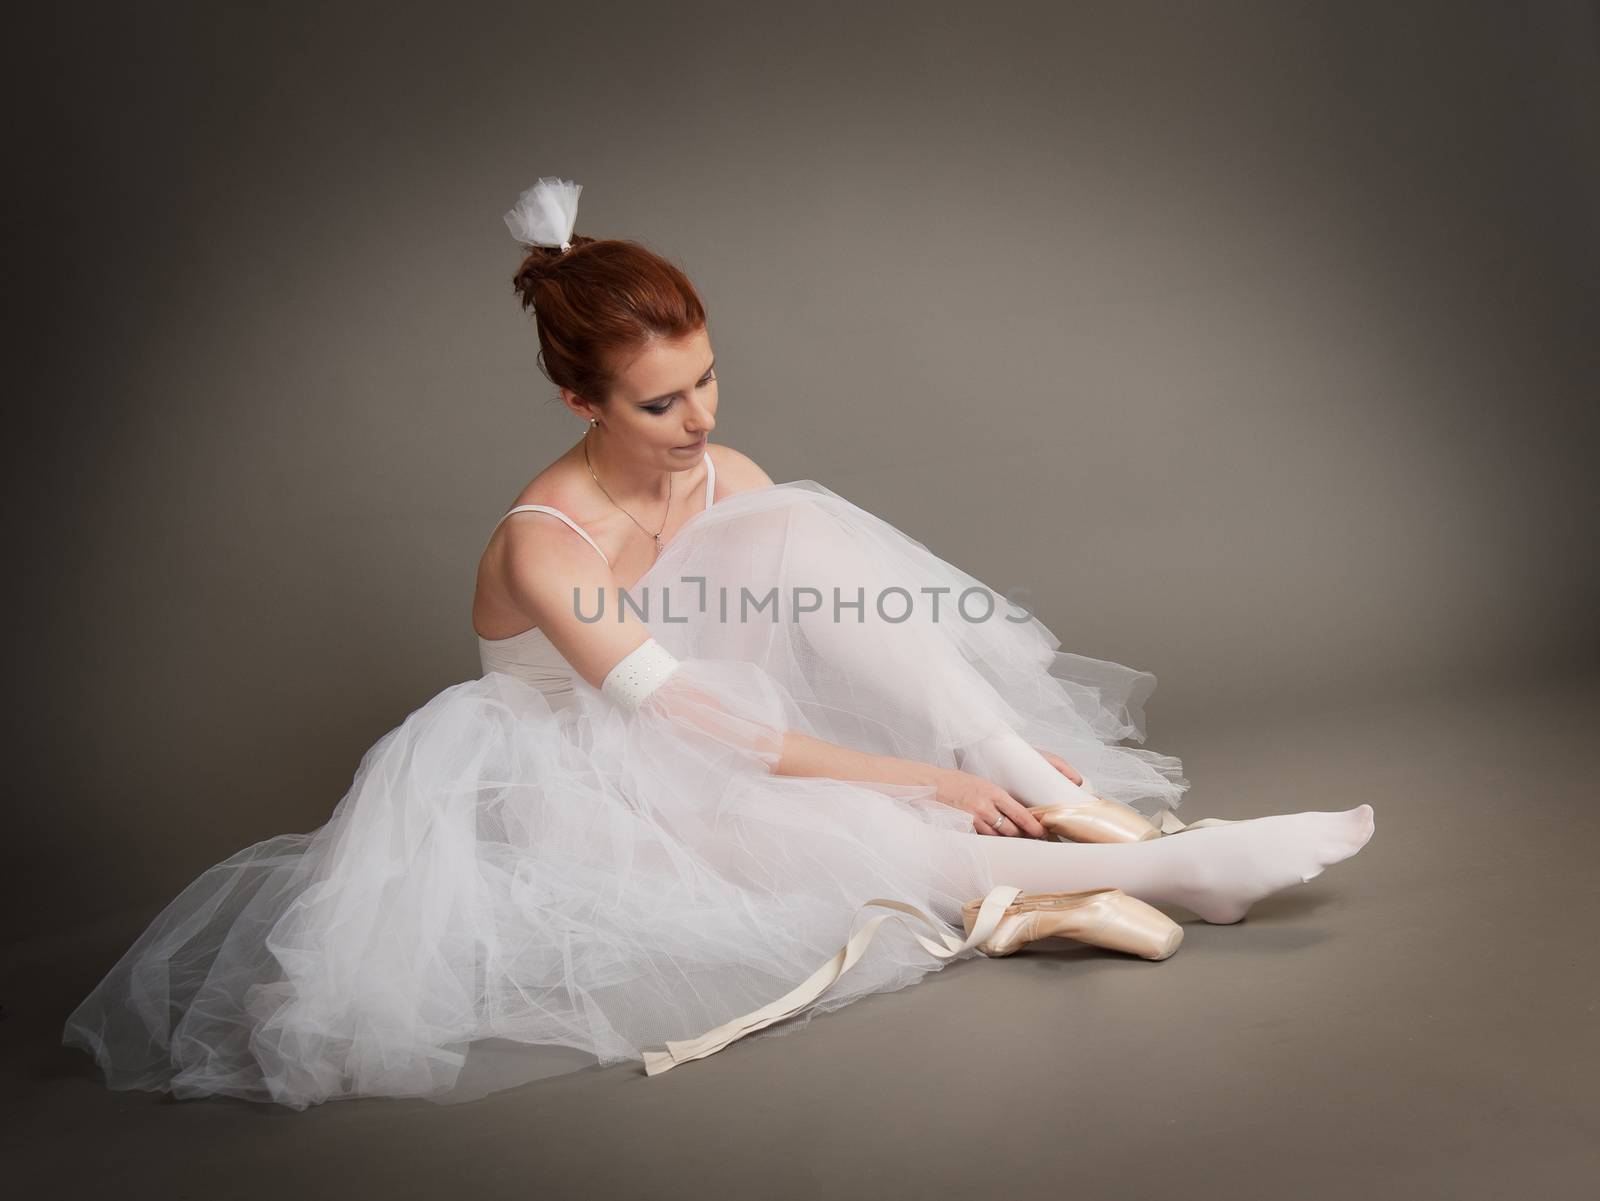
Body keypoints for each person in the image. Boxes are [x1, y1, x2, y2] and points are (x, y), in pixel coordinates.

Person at [61, 176, 1374, 1108]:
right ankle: (1136, 875)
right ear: (580, 399)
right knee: (797, 830)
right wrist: (916, 775)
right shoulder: (544, 541)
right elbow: (684, 722)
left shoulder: (719, 467)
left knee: (805, 534)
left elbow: (847, 622)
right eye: (658, 401)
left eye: (706, 379)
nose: (697, 420)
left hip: (720, 722)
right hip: (565, 785)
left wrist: (966, 743)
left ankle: (1061, 813)